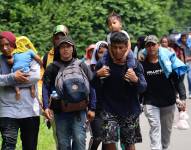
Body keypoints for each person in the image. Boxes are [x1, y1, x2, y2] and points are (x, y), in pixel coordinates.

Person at [92, 32, 147, 150]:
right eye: (115, 48)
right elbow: (92, 86)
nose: (117, 51)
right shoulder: (103, 63)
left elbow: (143, 87)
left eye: (121, 48)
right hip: (109, 109)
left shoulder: (135, 65)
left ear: (126, 48)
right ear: (110, 47)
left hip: (129, 109)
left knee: (129, 143)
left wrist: (135, 80)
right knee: (108, 141)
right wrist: (97, 75)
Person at [42, 36, 96, 150]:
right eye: (62, 47)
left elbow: (92, 86)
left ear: (73, 48)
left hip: (79, 109)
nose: (65, 49)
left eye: (68, 46)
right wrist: (46, 106)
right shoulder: (52, 68)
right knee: (63, 143)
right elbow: (45, 87)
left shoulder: (81, 65)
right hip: (59, 111)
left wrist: (92, 108)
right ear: (58, 50)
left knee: (79, 140)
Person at [141, 35, 187, 150]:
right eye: (148, 45)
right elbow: (139, 84)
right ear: (145, 47)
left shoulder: (167, 62)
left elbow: (177, 81)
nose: (151, 47)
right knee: (155, 126)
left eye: (153, 44)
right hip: (150, 101)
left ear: (158, 45)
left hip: (168, 101)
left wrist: (183, 97)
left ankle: (164, 148)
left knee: (166, 130)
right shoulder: (142, 64)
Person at [0, 31, 41, 150]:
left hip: (29, 110)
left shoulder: (28, 56)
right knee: (8, 145)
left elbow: (35, 77)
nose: (5, 48)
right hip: (7, 110)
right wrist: (12, 77)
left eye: (8, 44)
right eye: (1, 46)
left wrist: (6, 82)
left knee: (30, 146)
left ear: (14, 43)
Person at [8, 36, 43, 100]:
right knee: (31, 77)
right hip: (26, 71)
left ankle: (17, 91)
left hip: (16, 72)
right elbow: (38, 59)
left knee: (13, 81)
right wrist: (41, 65)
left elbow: (11, 61)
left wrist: (8, 60)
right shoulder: (29, 51)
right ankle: (32, 89)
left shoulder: (15, 53)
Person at [89, 41, 108, 150]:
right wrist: (97, 74)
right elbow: (89, 85)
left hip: (109, 108)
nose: (103, 55)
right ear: (96, 53)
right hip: (95, 108)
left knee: (107, 139)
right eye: (100, 52)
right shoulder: (90, 68)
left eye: (105, 52)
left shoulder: (112, 67)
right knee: (97, 137)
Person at [176, 32, 191, 98]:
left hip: (189, 63)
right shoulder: (178, 44)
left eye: (185, 38)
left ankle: (190, 92)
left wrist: (188, 58)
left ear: (187, 38)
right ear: (181, 38)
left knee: (190, 78)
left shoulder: (190, 44)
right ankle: (180, 92)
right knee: (180, 80)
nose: (184, 39)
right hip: (181, 64)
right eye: (183, 37)